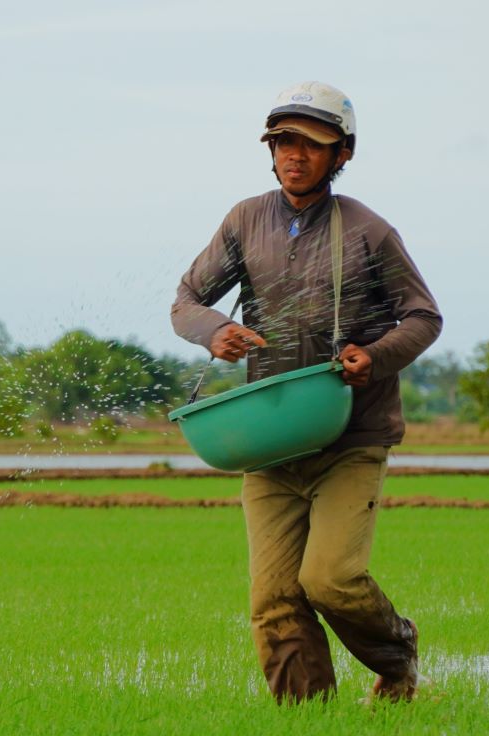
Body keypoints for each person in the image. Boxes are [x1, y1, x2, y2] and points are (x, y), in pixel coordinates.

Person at [169, 81, 442, 703]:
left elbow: (423, 317)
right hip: (269, 439)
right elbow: (186, 301)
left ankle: (397, 654)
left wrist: (373, 357)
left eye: (313, 145)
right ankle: (307, 723)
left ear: (342, 153)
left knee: (330, 578)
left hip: (350, 436)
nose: (295, 155)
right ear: (270, 150)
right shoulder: (245, 220)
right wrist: (215, 331)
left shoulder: (369, 232)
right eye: (284, 142)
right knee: (274, 598)